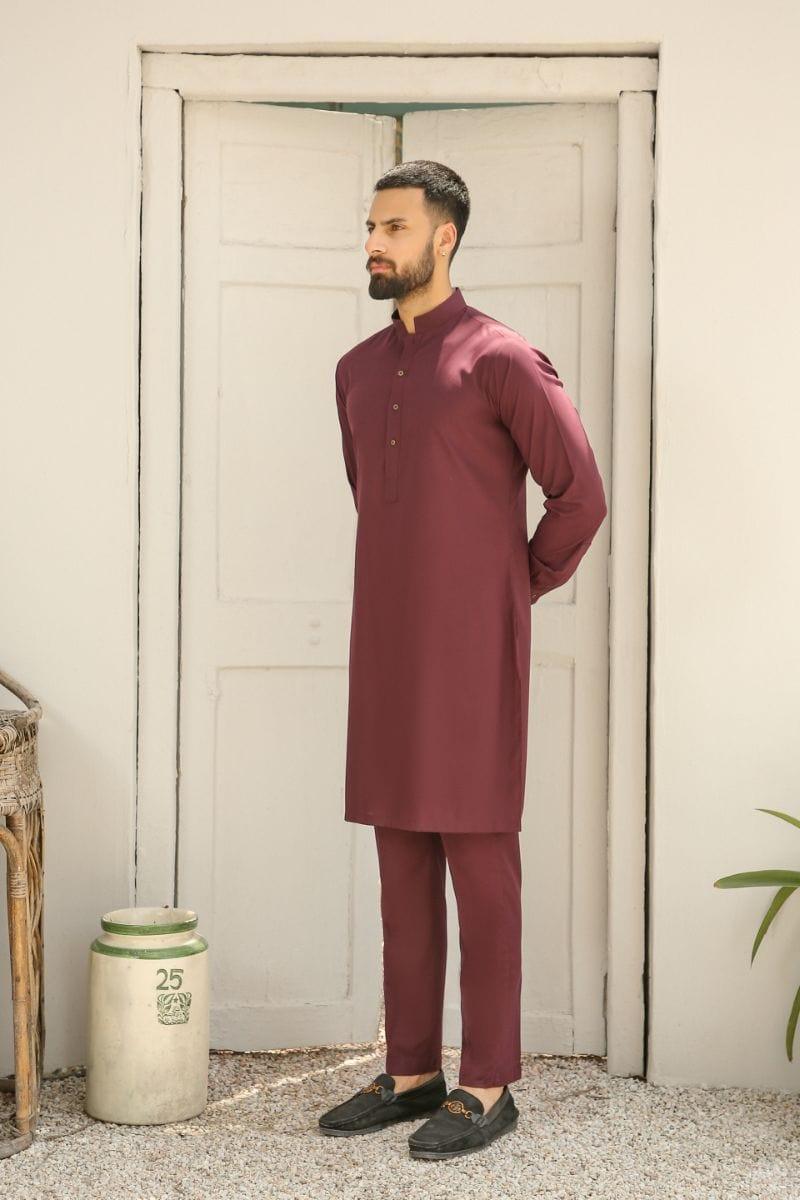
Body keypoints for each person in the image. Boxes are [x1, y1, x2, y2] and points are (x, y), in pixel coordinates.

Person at [318, 160, 607, 1160]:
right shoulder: (355, 372)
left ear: (444, 238)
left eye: (392, 227)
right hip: (384, 649)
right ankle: (411, 1072)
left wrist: (509, 589)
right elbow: (376, 498)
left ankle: (487, 1082)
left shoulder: (500, 359)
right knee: (399, 861)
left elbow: (580, 495)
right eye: (369, 226)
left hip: (475, 652)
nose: (373, 243)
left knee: (481, 869)